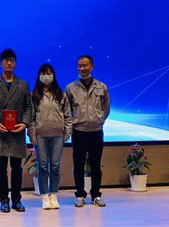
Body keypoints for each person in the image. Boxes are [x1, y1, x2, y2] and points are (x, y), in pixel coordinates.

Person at [0, 49, 32, 213]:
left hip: (17, 131)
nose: (9, 63)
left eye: (12, 60)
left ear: (15, 63)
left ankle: (17, 200)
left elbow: (28, 107)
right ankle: (3, 200)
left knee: (17, 168)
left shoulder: (23, 84)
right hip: (0, 132)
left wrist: (24, 123)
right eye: (6, 61)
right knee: (1, 169)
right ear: (0, 64)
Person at [66, 55, 110, 208]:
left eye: (85, 65)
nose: (82, 68)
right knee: (78, 164)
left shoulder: (102, 87)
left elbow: (106, 108)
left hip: (96, 131)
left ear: (92, 66)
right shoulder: (70, 88)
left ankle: (96, 195)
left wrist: (99, 119)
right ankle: (80, 194)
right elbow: (67, 110)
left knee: (96, 165)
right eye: (79, 66)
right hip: (78, 131)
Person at [28, 64, 72, 210]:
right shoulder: (34, 95)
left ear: (53, 75)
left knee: (55, 166)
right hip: (40, 136)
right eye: (43, 73)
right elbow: (31, 118)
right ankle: (44, 196)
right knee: (42, 166)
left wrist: (67, 133)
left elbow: (68, 116)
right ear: (39, 76)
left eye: (49, 73)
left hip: (58, 135)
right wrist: (32, 135)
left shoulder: (61, 95)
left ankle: (53, 194)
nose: (46, 76)